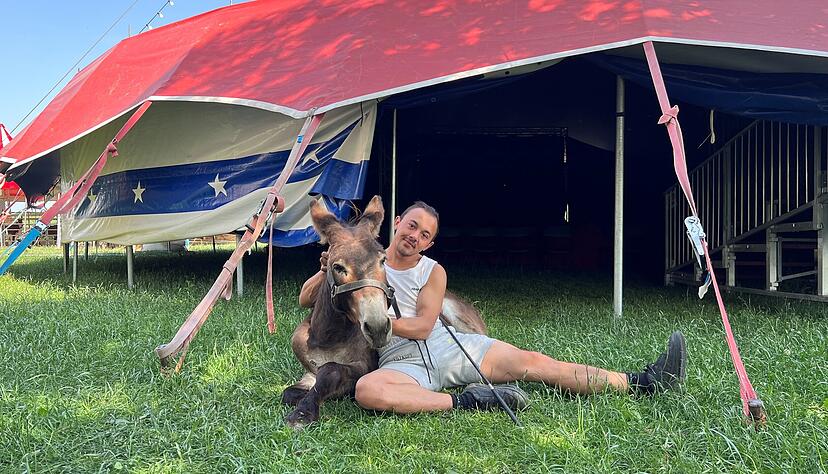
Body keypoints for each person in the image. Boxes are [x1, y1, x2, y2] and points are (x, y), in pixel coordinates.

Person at [298, 201, 687, 414]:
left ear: (430, 244)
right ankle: (471, 401)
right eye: (412, 226)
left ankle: (641, 381)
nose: (415, 236)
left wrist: (380, 322)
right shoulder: (364, 260)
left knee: (535, 362)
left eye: (426, 234)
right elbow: (311, 298)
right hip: (400, 362)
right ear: (396, 223)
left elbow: (422, 326)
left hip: (446, 347)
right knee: (368, 390)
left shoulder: (433, 272)